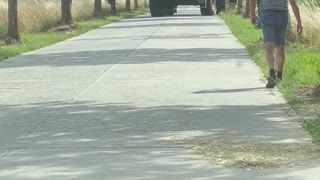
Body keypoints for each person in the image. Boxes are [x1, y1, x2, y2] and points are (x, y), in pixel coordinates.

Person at [249, 0, 303, 88]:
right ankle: (279, 75)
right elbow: (293, 3)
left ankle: (271, 74)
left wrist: (252, 14)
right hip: (282, 15)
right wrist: (299, 22)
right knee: (280, 46)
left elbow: (252, 0)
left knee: (269, 46)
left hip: (267, 14)